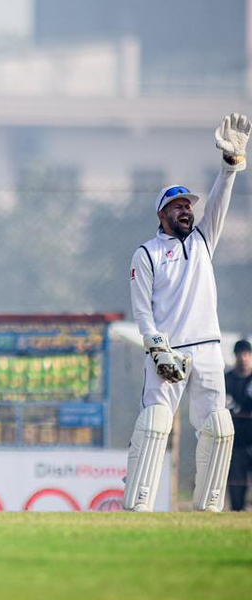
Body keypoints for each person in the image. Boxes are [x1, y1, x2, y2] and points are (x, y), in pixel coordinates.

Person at [124, 113, 249, 512]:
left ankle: (207, 510)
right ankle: (138, 505)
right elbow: (142, 310)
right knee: (155, 423)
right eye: (177, 206)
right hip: (169, 351)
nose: (186, 210)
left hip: (209, 349)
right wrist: (157, 347)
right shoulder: (147, 253)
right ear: (162, 214)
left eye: (188, 205)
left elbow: (220, 203)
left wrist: (229, 168)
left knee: (217, 426)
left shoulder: (202, 242)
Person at [226, 339, 252, 510]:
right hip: (235, 443)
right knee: (236, 486)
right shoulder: (226, 380)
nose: (243, 358)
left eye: (247, 354)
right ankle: (236, 514)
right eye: (240, 354)